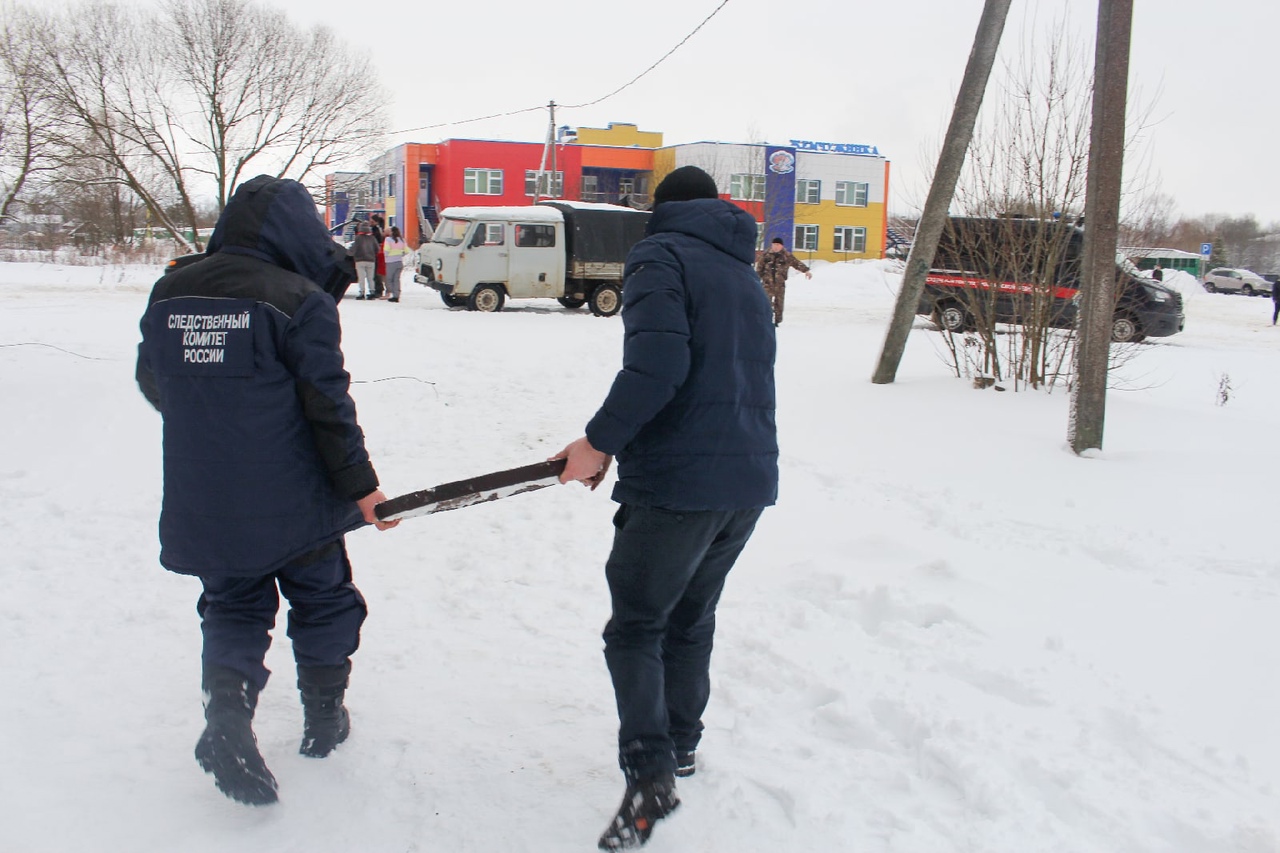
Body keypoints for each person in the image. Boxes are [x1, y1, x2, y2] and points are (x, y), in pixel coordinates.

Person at [135, 175, 400, 807]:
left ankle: (227, 716)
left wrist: (214, 417)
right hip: (296, 500)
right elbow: (328, 407)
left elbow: (154, 381)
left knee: (232, 605)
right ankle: (324, 717)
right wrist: (362, 488)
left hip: (206, 493)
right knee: (324, 599)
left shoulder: (170, 291)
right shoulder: (299, 299)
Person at [554, 165, 778, 851]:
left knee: (637, 626)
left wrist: (598, 442)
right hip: (745, 482)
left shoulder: (659, 254)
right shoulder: (742, 271)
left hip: (680, 484)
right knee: (690, 618)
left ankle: (650, 771)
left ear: (662, 209)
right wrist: (618, 443)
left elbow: (658, 368)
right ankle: (680, 744)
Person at [755, 236, 812, 326]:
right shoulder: (766, 255)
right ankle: (765, 320)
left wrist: (806, 271)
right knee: (765, 302)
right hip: (767, 283)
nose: (776, 247)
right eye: (774, 244)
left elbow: (796, 263)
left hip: (779, 284)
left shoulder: (786, 256)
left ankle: (777, 321)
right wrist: (756, 280)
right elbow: (759, 268)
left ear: (781, 246)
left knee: (779, 304)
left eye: (778, 245)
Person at [351, 222, 378, 299]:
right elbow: (377, 249)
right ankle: (372, 292)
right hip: (371, 260)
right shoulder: (372, 238)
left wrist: (349, 254)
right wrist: (373, 254)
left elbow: (354, 249)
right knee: (370, 278)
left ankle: (362, 293)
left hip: (360, 260)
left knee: (361, 278)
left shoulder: (358, 238)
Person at [383, 226, 409, 303]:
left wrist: (386, 256)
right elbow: (406, 251)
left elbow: (386, 250)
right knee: (396, 279)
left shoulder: (388, 240)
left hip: (390, 262)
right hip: (399, 262)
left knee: (389, 279)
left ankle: (392, 292)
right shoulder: (402, 240)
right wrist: (400, 254)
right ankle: (396, 295)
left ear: (392, 232)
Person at [370, 213, 387, 299]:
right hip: (379, 254)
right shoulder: (381, 229)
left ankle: (378, 290)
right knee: (377, 273)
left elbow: (375, 242)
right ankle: (379, 289)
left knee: (375, 273)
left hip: (376, 254)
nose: (370, 223)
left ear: (376, 222)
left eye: (372, 221)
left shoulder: (375, 231)